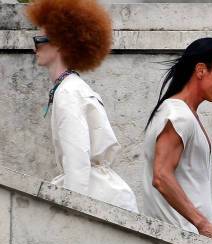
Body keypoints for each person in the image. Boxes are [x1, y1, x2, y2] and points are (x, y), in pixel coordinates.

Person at [25, 0, 138, 212]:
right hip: (106, 194)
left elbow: (76, 161)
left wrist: (71, 214)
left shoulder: (67, 93)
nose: (34, 48)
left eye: (39, 40)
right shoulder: (74, 88)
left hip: (97, 199)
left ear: (59, 42)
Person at [143, 38, 212, 244]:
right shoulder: (179, 115)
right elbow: (161, 176)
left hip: (185, 241)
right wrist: (203, 224)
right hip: (179, 242)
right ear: (201, 70)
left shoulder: (182, 113)